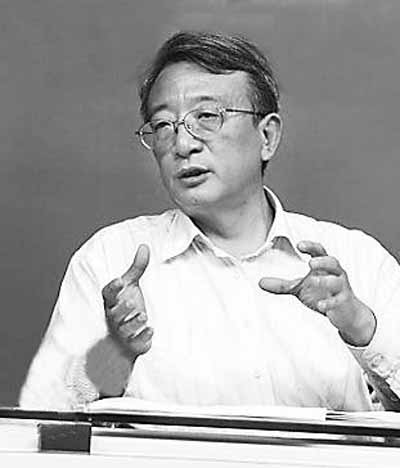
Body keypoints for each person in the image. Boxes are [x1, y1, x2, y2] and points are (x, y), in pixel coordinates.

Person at [19, 31, 400, 411]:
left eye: (206, 117)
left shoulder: (356, 259)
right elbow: (43, 418)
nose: (182, 145)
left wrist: (360, 327)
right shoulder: (111, 258)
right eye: (163, 125)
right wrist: (116, 353)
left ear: (267, 136)